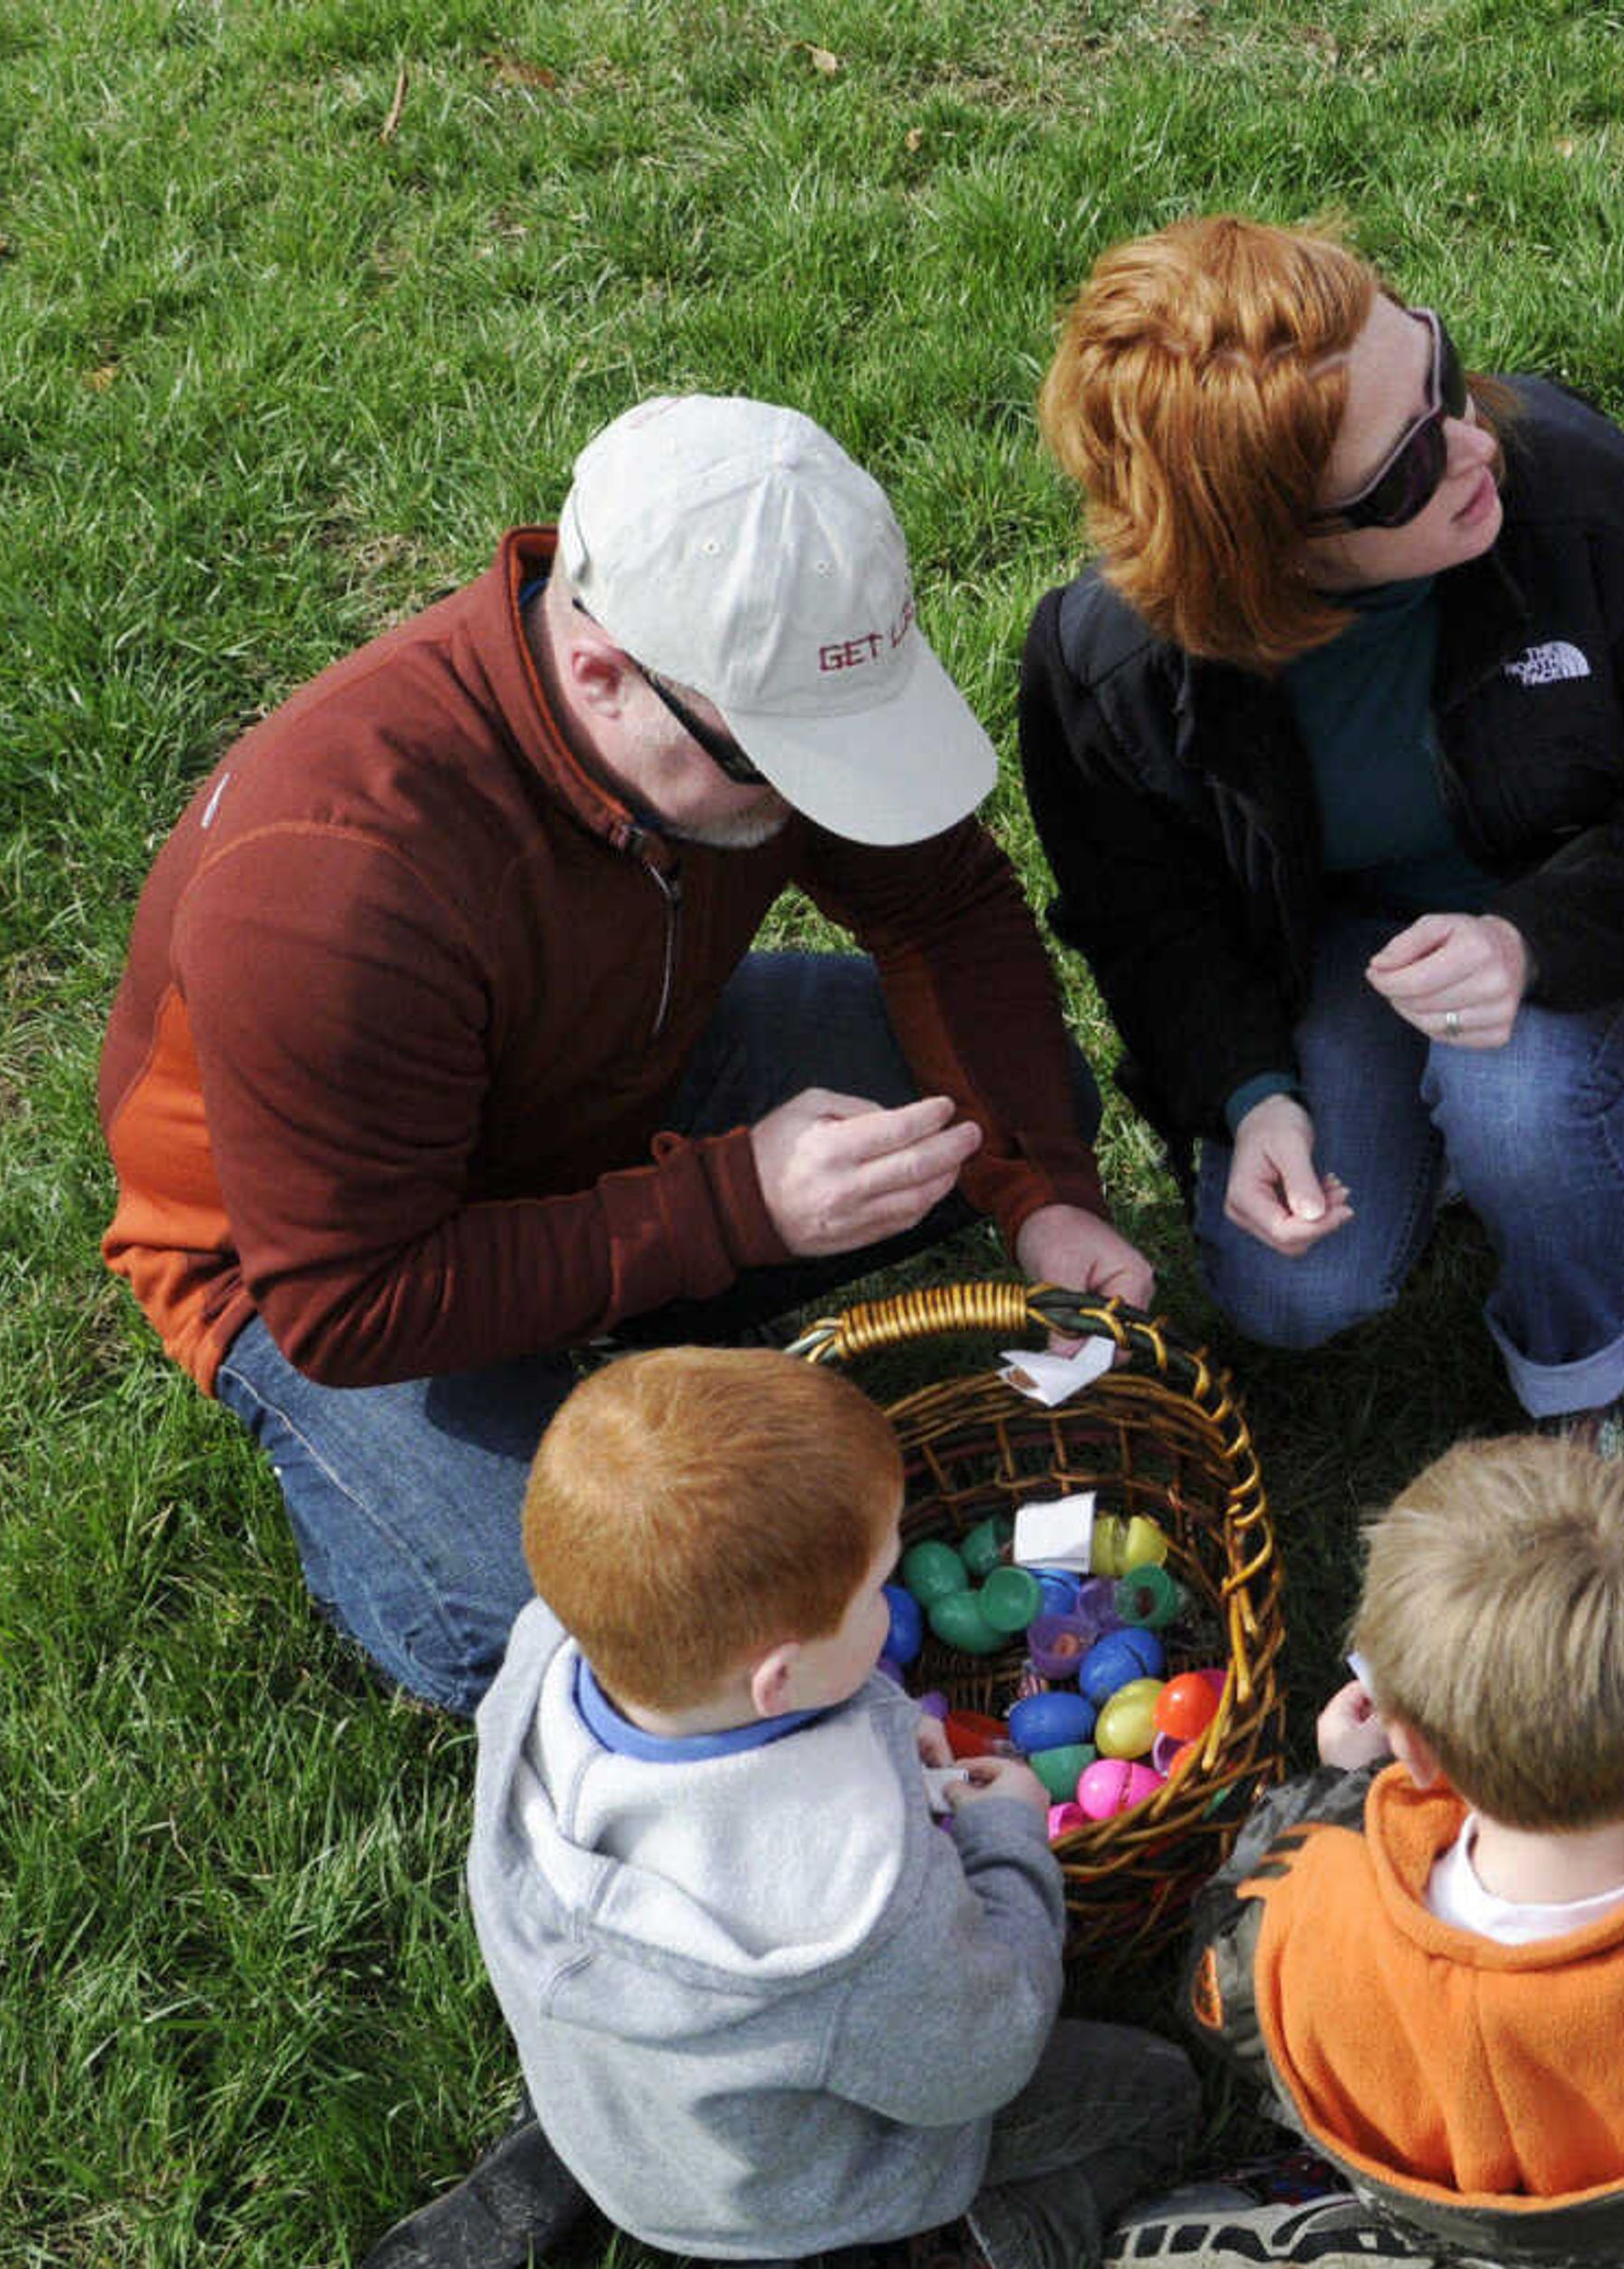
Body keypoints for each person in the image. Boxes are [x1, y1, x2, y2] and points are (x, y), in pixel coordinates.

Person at [98, 396, 1153, 1714]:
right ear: (602, 672)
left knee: (1001, 1103)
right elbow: (346, 1301)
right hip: (326, 1270)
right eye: (774, 765)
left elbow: (942, 904)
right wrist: (732, 1204)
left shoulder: (731, 699)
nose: (809, 805)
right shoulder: (331, 888)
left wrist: (1041, 1188)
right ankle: (483, 1433)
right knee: (593, 1628)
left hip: (623, 1075)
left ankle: (621, 1314)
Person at [347, 1347, 1198, 2269]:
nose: (893, 1596)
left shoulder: (552, 1660)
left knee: (658, 2083)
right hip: (792, 2172)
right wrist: (1005, 1843)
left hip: (612, 2089)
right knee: (1156, 2095)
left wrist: (877, 1735)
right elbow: (981, 2054)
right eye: (879, 1589)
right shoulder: (848, 1894)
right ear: (780, 1675)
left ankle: (561, 2172)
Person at [1019, 219, 1624, 1465]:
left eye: (1441, 369)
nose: (1476, 441)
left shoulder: (1579, 494)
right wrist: (1249, 1094)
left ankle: (1592, 1378)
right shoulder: (1112, 670)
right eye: (1407, 467)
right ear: (1270, 558)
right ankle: (1438, 1138)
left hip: (1573, 894)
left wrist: (1536, 937)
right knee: (1289, 1293)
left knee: (1516, 1100)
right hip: (1331, 953)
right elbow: (1147, 921)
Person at [1101, 1437, 1624, 2269]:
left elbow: (1222, 1996)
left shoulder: (1322, 1912)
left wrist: (1339, 1788)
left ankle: (1369, 2214)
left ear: (1416, 1748)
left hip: (1439, 2179)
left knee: (1307, 2059)